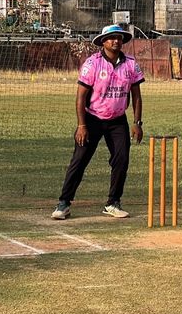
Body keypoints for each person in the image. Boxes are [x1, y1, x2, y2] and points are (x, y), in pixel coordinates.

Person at [51, 24, 144, 220]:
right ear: (103, 42)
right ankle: (64, 203)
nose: (116, 41)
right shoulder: (92, 64)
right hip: (92, 118)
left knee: (122, 159)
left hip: (118, 120)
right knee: (79, 160)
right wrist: (81, 125)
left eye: (119, 37)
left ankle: (113, 203)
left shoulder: (131, 64)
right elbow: (80, 97)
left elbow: (136, 95)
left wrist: (137, 122)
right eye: (112, 38)